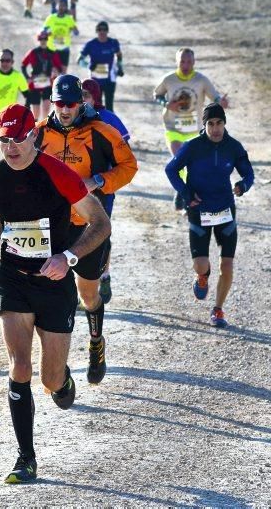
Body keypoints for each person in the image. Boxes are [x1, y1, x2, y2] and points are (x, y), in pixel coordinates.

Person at [0, 103, 110, 483]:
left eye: (17, 138)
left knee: (50, 380)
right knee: (19, 366)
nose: (10, 147)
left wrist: (68, 257)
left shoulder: (59, 175)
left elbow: (100, 223)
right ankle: (25, 457)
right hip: (14, 279)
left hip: (55, 283)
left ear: (33, 136)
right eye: (3, 139)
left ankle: (64, 381)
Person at [35, 75, 138, 385]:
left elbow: (129, 166)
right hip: (51, 229)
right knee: (51, 298)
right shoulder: (37, 135)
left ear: (81, 103)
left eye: (71, 104)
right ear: (52, 103)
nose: (65, 110)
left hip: (89, 228)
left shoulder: (102, 132)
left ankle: (96, 342)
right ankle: (58, 368)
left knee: (88, 295)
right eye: (59, 104)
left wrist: (101, 181)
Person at [165, 103, 254, 328]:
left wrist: (243, 185)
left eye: (219, 123)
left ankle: (218, 309)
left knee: (227, 264)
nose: (215, 128)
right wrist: (186, 193)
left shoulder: (233, 147)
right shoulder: (193, 146)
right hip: (199, 211)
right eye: (210, 124)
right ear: (204, 125)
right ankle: (203, 275)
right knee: (201, 264)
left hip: (225, 211)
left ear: (224, 123)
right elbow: (171, 169)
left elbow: (248, 172)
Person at [154, 47, 230, 212]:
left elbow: (215, 97)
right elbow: (157, 95)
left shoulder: (201, 80)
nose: (185, 65)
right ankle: (182, 192)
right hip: (173, 127)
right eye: (182, 61)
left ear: (194, 62)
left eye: (189, 61)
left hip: (195, 130)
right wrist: (166, 104)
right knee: (179, 158)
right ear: (177, 62)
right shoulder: (169, 79)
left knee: (192, 165)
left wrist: (221, 102)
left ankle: (185, 193)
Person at [81, 78, 130, 303]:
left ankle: (105, 275)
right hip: (76, 188)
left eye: (86, 95)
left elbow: (125, 153)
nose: (82, 100)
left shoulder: (108, 118)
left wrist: (104, 176)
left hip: (102, 188)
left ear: (95, 96)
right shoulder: (73, 117)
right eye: (79, 95)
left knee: (101, 233)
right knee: (74, 234)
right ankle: (80, 287)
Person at [0, 49, 30, 165]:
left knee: (8, 142)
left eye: (8, 60)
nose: (5, 63)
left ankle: (9, 164)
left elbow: (28, 95)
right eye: (2, 60)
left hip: (10, 115)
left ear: (12, 62)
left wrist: (26, 110)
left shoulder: (18, 76)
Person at [77, 21, 123, 111]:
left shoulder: (113, 43)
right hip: (95, 82)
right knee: (97, 106)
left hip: (110, 80)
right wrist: (89, 65)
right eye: (99, 29)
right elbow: (79, 60)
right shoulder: (91, 44)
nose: (102, 32)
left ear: (107, 31)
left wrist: (120, 67)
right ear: (96, 31)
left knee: (109, 107)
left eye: (104, 29)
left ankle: (110, 124)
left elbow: (119, 55)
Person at [21, 31, 63, 121]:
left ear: (47, 40)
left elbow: (59, 67)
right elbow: (23, 65)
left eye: (45, 39)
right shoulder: (33, 52)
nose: (43, 41)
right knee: (35, 113)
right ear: (38, 40)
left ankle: (43, 128)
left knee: (46, 109)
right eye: (41, 39)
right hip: (35, 85)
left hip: (48, 84)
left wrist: (56, 71)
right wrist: (27, 77)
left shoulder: (52, 53)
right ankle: (35, 128)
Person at [42, 0, 78, 72]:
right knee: (53, 71)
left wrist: (74, 30)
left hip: (64, 48)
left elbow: (76, 32)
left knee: (63, 72)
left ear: (66, 7)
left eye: (63, 6)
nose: (61, 7)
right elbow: (44, 31)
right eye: (60, 5)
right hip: (52, 48)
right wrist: (47, 32)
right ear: (56, 7)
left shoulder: (69, 19)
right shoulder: (51, 18)